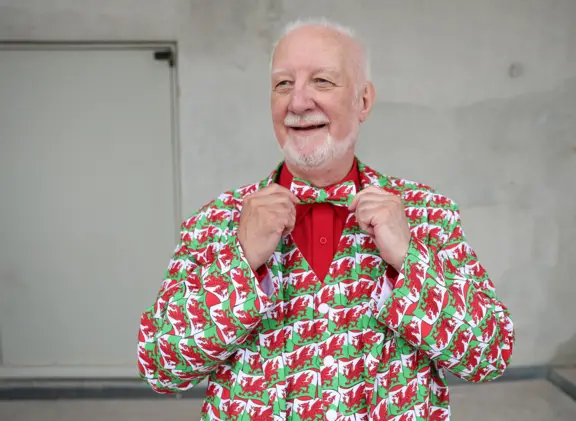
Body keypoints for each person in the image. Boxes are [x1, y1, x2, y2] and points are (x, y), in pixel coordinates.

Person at [136, 18, 515, 421]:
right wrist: (239, 260)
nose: (297, 102)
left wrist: (409, 259)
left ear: (364, 101)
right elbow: (160, 368)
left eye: (322, 81)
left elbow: (488, 356)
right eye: (283, 84)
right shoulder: (215, 222)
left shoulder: (427, 214)